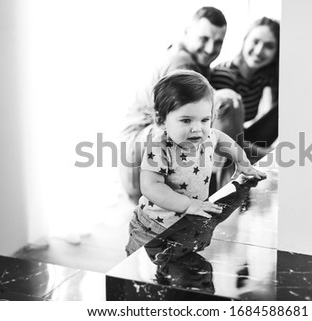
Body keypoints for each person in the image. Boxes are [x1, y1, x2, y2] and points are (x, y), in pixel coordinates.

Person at [125, 70, 266, 256]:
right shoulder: (159, 146)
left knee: (182, 274)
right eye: (186, 120)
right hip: (152, 230)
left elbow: (223, 140)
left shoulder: (206, 137)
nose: (197, 129)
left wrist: (242, 162)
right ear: (161, 120)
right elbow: (151, 186)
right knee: (143, 277)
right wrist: (187, 204)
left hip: (186, 225)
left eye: (205, 120)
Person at [120, 7, 241, 204]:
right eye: (204, 39)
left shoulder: (190, 60)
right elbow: (185, 108)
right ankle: (223, 191)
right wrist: (219, 96)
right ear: (187, 32)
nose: (211, 48)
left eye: (218, 42)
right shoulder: (181, 63)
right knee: (224, 104)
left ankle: (222, 182)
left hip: (146, 144)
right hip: (139, 152)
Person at [210, 17, 280, 163]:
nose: (259, 51)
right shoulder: (225, 74)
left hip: (242, 138)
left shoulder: (263, 75)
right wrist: (267, 154)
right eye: (255, 41)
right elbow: (223, 138)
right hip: (219, 147)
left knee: (286, 104)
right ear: (245, 40)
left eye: (269, 46)